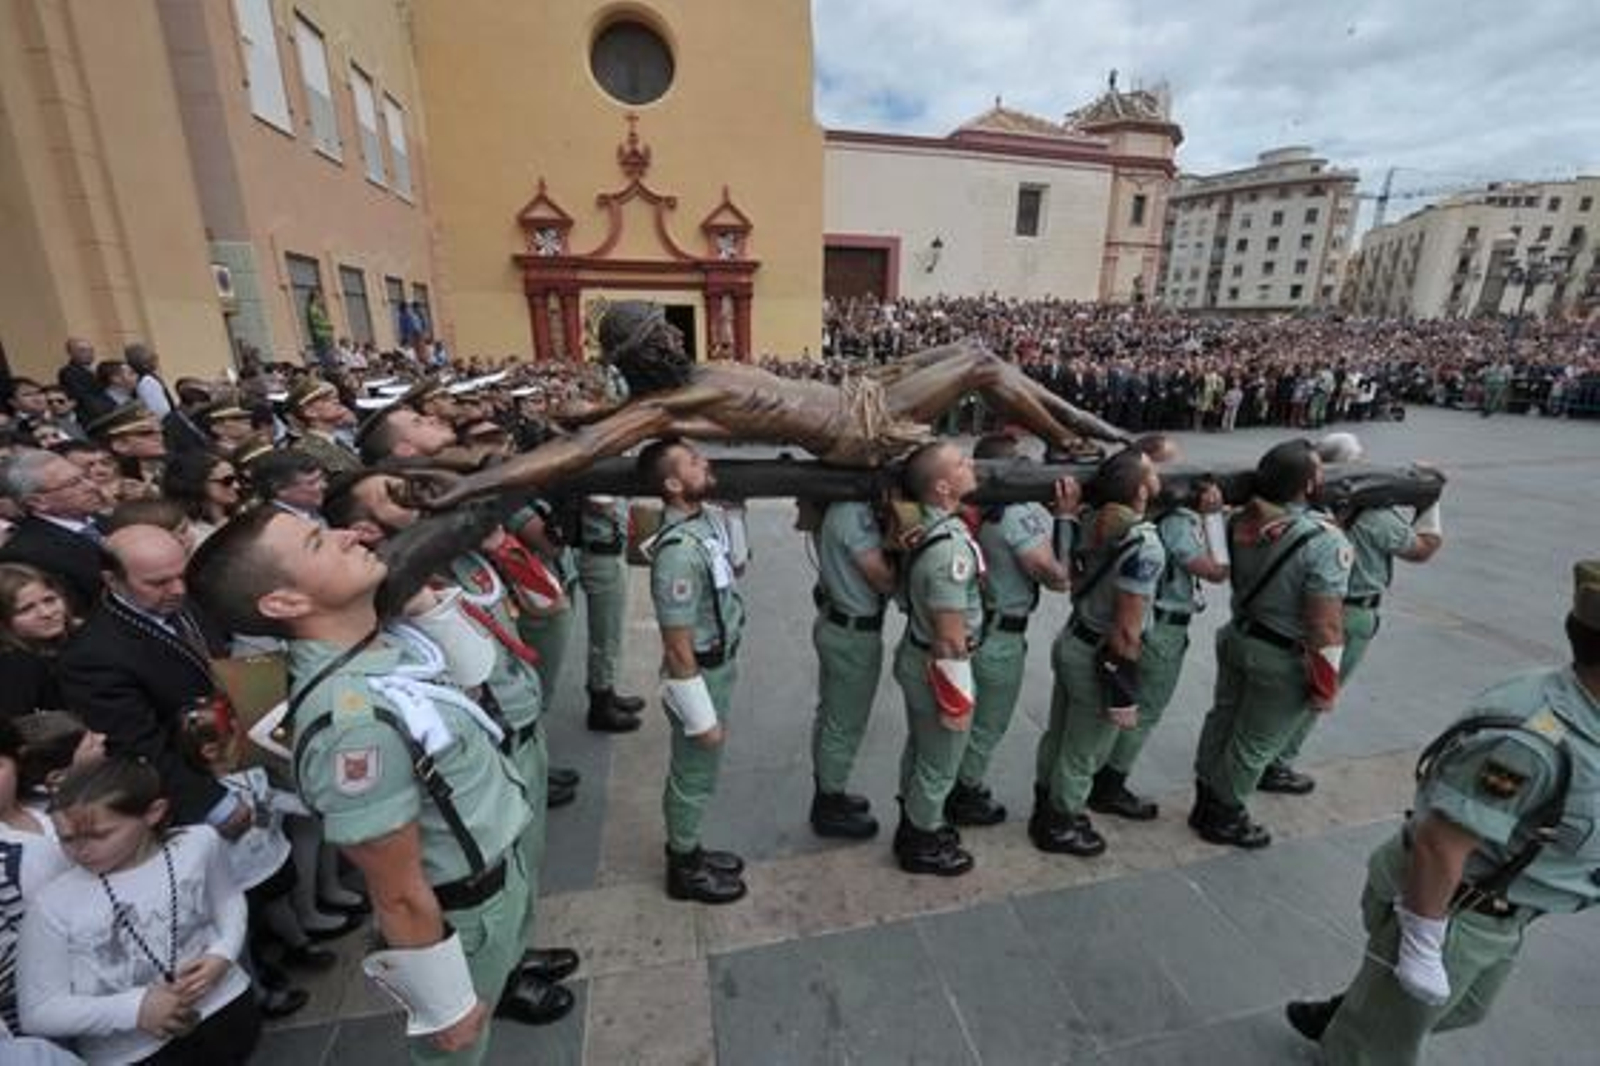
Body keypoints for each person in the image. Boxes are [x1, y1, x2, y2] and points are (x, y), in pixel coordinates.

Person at [187, 507, 570, 1063]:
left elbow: (475, 672)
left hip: (497, 872)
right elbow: (395, 887)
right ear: (284, 602)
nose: (348, 534)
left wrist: (418, 601)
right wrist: (444, 1004)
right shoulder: (352, 722)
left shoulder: (384, 645)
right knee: (457, 1051)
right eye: (319, 543)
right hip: (462, 914)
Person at [1287, 560, 1600, 1065]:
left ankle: (1359, 1012)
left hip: (1502, 910)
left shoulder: (1586, 712)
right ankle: (1360, 1028)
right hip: (1453, 908)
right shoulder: (1534, 741)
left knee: (1463, 1008)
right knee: (1377, 1050)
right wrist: (1422, 944)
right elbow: (1441, 843)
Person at [410, 301, 1128, 511]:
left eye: (666, 326)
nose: (672, 334)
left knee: (974, 348)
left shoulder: (692, 375)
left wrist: (583, 414)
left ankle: (1081, 428)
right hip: (857, 428)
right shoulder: (666, 405)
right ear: (643, 355)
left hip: (861, 393)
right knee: (977, 364)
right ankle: (1075, 436)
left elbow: (585, 428)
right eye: (659, 333)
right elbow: (574, 456)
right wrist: (471, 485)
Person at [20, 757, 258, 1063]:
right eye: (66, 838)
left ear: (153, 813)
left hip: (226, 1007)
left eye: (100, 834)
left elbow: (228, 901)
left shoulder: (199, 843)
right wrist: (135, 1009)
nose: (81, 850)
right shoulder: (51, 905)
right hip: (134, 1053)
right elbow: (38, 1010)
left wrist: (224, 953)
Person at [1190, 439, 1352, 849]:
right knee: (1256, 741)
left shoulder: (1237, 520)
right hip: (1280, 655)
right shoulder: (1323, 540)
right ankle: (1225, 815)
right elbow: (1325, 625)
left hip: (1239, 636)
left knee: (1223, 719)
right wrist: (1325, 685)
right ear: (1310, 484)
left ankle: (1205, 799)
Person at [1265, 432, 1445, 794]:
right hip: (1349, 613)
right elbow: (1423, 548)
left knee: (1292, 687)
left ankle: (1263, 751)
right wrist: (1430, 498)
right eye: (1360, 457)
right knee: (1315, 693)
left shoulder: (1304, 502)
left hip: (1302, 605)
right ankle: (1278, 763)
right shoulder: (1373, 513)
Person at [58, 526, 246, 832]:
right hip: (196, 787)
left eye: (182, 574)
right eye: (158, 582)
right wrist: (212, 803)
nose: (178, 590)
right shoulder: (91, 656)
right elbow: (138, 744)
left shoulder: (185, 597)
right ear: (111, 580)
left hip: (242, 753)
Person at [1031, 448, 1165, 857]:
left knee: (1059, 733)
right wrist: (1123, 694)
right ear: (1142, 490)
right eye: (1152, 471)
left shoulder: (1090, 520)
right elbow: (1126, 630)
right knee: (1085, 747)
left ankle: (1046, 806)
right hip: (1099, 657)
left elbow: (1067, 570)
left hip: (1074, 638)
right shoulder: (1144, 544)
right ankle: (1061, 822)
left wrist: (1066, 517)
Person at [637, 439, 749, 903]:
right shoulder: (678, 553)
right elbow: (677, 648)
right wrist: (700, 716)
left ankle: (692, 847)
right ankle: (682, 866)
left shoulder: (704, 522)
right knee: (693, 769)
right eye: (694, 462)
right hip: (698, 671)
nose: (707, 462)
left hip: (720, 662)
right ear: (672, 483)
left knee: (703, 769)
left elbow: (734, 567)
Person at [1090, 449, 1229, 821]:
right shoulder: (1177, 519)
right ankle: (1110, 783)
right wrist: (1213, 521)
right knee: (1144, 710)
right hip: (1162, 626)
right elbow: (1216, 571)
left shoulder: (1137, 515)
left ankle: (1097, 774)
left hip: (1142, 618)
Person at [947, 434, 1076, 828]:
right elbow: (1057, 577)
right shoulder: (1017, 514)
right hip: (1001, 635)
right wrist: (1066, 519)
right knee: (989, 723)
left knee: (971, 721)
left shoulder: (980, 507)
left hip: (983, 624)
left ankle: (958, 785)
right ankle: (964, 793)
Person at [890, 441, 983, 876]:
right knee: (940, 759)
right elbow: (950, 639)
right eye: (962, 463)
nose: (972, 465)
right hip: (939, 664)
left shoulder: (932, 529)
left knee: (920, 747)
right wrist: (957, 702)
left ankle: (913, 824)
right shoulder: (949, 550)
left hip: (918, 654)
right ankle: (922, 842)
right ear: (943, 487)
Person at [806, 494, 897, 840]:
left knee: (831, 716)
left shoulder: (841, 507)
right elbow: (882, 578)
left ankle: (830, 790)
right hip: (852, 633)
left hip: (838, 624)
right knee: (843, 723)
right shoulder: (853, 512)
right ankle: (829, 805)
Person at [0, 449, 111, 611]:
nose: (92, 486)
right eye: (73, 483)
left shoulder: (109, 520)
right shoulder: (26, 555)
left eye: (85, 477)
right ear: (37, 502)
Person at [574, 496, 646, 733]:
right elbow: (601, 503)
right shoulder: (588, 464)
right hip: (599, 554)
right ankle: (600, 708)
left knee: (609, 635)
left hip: (605, 550)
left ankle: (606, 693)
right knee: (605, 638)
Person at [0, 564, 79, 720]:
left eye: (50, 600)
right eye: (26, 609)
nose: (46, 613)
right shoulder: (16, 666)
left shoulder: (82, 637)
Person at [161, 452, 243, 545]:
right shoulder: (189, 535)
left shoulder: (241, 515)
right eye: (227, 481)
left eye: (237, 478)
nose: (237, 486)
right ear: (197, 484)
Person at [284, 378, 360, 477]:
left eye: (336, 397)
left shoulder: (334, 441)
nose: (336, 402)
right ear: (310, 412)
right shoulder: (306, 451)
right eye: (327, 400)